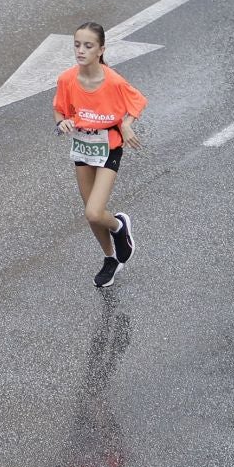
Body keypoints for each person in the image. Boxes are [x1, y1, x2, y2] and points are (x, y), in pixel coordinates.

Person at [53, 21, 146, 288]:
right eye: (77, 45)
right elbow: (59, 111)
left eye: (88, 46)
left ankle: (118, 227)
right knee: (89, 212)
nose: (81, 50)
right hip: (83, 147)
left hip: (109, 146)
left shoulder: (113, 81)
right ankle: (110, 258)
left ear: (101, 49)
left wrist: (126, 125)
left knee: (95, 213)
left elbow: (138, 100)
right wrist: (62, 123)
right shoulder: (67, 79)